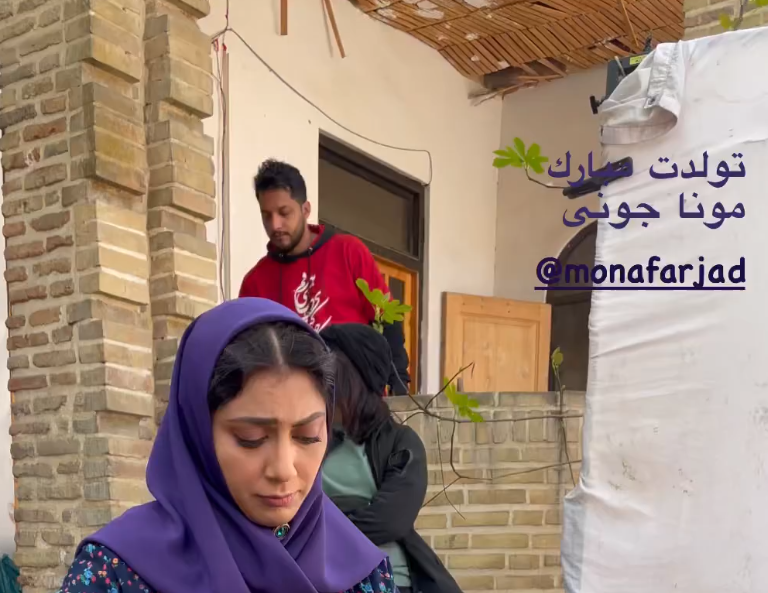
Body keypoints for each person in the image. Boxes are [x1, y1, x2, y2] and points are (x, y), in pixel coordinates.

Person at [57, 298, 397, 593]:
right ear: (198, 432)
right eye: (251, 439)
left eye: (307, 435)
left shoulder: (361, 574)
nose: (283, 469)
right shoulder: (116, 573)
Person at [238, 158, 411, 395]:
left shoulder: (348, 251)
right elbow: (251, 355)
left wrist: (398, 384)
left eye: (284, 213)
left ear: (306, 209)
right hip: (295, 405)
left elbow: (388, 318)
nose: (275, 224)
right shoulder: (254, 283)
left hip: (359, 400)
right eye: (266, 215)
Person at [320, 323, 463, 593]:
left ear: (352, 380)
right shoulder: (308, 439)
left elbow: (390, 520)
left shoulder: (400, 442)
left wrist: (317, 533)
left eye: (328, 373)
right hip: (317, 577)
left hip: (384, 578)